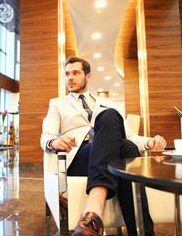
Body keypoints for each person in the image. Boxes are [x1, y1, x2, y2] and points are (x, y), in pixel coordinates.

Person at [40, 56, 166, 236]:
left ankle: (95, 215)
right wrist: (55, 141)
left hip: (109, 151)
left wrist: (149, 142)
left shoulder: (107, 103)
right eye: (67, 74)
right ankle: (144, 231)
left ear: (88, 76)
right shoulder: (57, 104)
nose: (70, 78)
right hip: (80, 156)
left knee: (126, 143)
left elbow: (129, 135)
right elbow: (46, 136)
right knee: (122, 141)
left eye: (75, 73)